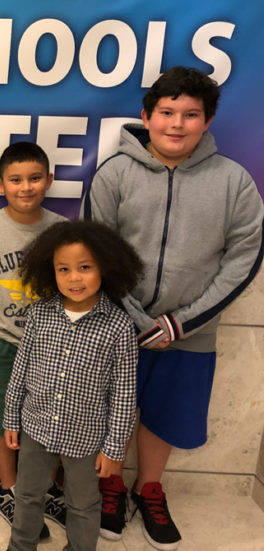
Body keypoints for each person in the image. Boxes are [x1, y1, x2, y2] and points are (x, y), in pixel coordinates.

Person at [83, 66, 264, 550]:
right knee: (111, 411)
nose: (177, 124)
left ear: (206, 122)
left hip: (190, 331)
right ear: (147, 116)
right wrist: (135, 317)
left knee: (162, 415)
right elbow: (95, 251)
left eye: (190, 114)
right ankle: (112, 484)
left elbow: (244, 259)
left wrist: (180, 322)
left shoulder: (235, 182)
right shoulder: (114, 174)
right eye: (167, 113)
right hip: (118, 326)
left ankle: (150, 488)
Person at [4, 220, 143, 551]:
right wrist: (10, 417)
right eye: (63, 269)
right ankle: (21, 545)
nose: (74, 278)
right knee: (26, 495)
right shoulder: (40, 314)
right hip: (36, 427)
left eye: (84, 267)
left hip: (87, 436)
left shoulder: (119, 326)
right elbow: (21, 369)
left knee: (82, 504)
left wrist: (115, 447)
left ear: (105, 267)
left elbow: (124, 393)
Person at [0, 142, 67, 538]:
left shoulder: (60, 230)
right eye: (16, 180)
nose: (26, 187)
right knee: (0, 420)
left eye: (35, 178)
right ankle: (8, 488)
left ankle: (43, 488)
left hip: (53, 347)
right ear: (0, 184)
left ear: (50, 181)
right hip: (6, 345)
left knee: (51, 418)